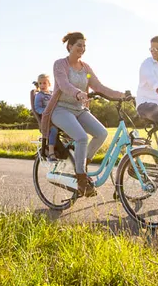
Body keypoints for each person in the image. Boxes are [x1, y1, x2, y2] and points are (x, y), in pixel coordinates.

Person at [40, 32, 127, 197]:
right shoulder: (60, 64)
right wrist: (78, 93)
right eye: (79, 45)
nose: (82, 48)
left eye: (84, 46)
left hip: (79, 110)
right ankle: (81, 180)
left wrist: (120, 94)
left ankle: (82, 165)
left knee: (101, 133)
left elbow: (98, 86)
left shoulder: (86, 69)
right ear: (70, 46)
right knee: (81, 137)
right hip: (61, 109)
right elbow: (63, 84)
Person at [33, 74, 59, 161]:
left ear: (49, 84)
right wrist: (45, 112)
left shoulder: (52, 94)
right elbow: (37, 108)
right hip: (46, 119)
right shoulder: (39, 96)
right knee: (54, 130)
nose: (42, 85)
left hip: (56, 115)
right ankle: (51, 151)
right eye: (40, 83)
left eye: (44, 83)